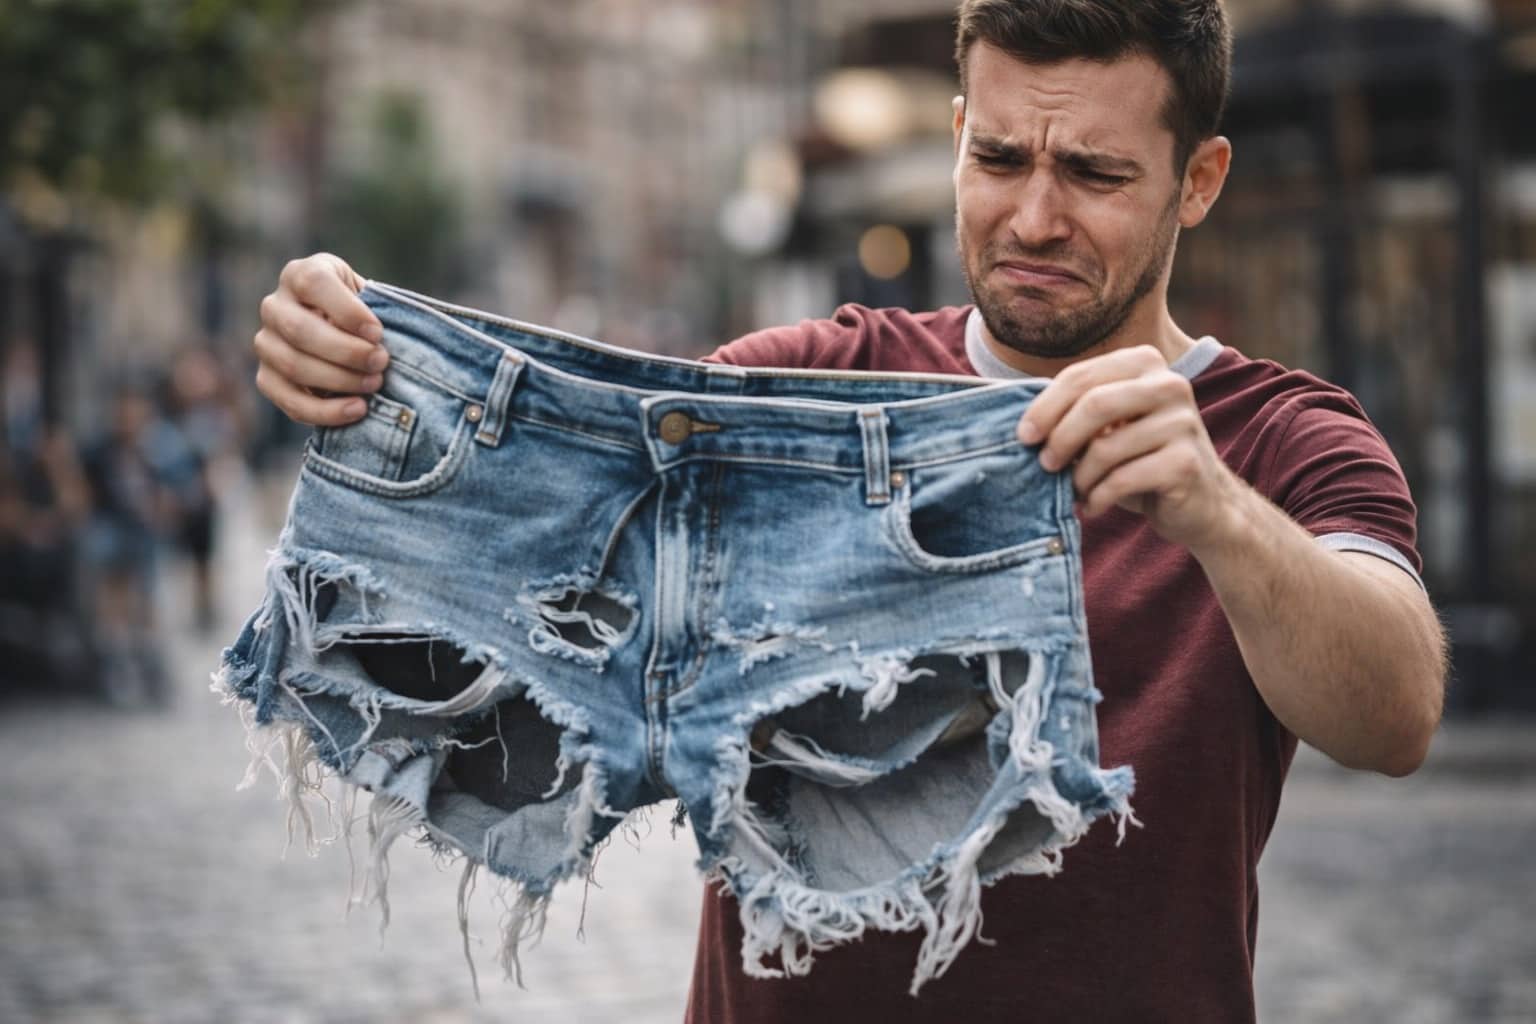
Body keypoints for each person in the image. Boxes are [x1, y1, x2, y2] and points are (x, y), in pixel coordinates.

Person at [246, 1, 1446, 1019]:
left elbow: (1394, 714)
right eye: (999, 160)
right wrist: (363, 362)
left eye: (1093, 173)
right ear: (959, 133)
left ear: (1200, 182)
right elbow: (558, 539)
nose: (1034, 218)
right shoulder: (809, 382)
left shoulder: (1285, 440)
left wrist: (1220, 516)